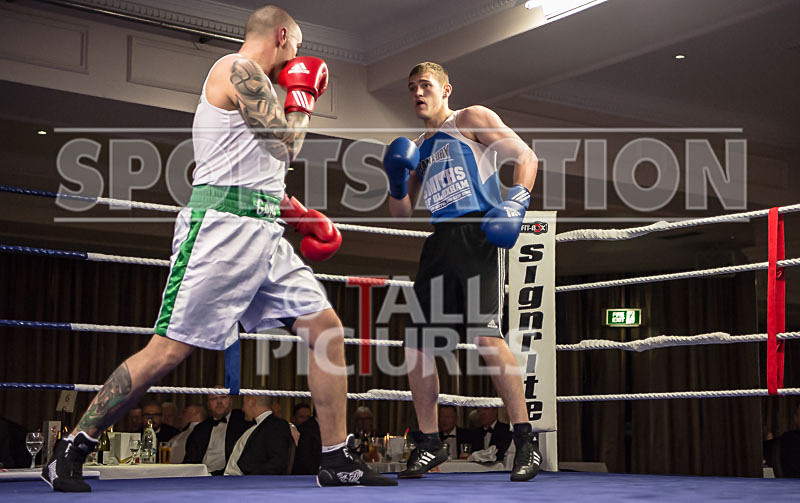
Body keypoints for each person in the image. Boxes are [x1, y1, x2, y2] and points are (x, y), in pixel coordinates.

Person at [42, 4, 395, 491]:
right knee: (166, 352)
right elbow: (286, 144)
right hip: (221, 232)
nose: (297, 54)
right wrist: (303, 97)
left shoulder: (258, 85)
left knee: (327, 330)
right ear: (283, 35)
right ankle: (71, 449)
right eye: (295, 45)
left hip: (263, 229)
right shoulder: (237, 69)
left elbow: (250, 165)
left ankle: (336, 457)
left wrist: (295, 212)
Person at [383, 61, 541, 482]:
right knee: (417, 347)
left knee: (486, 339)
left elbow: (526, 156)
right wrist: (396, 179)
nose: (418, 92)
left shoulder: (469, 118)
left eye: (426, 85)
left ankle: (525, 439)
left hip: (477, 234)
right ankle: (430, 442)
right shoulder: (417, 146)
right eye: (412, 86)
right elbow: (402, 214)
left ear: (446, 89)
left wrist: (516, 202)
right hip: (439, 242)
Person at [183, 391, 252, 475]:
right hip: (201, 477)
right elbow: (190, 459)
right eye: (214, 398)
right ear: (208, 404)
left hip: (228, 477)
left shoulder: (244, 421)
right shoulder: (200, 429)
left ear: (231, 400)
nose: (219, 402)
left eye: (223, 397)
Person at [224, 396, 293, 476]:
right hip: (232, 480)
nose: (243, 409)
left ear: (252, 402)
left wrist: (249, 476)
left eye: (244, 403)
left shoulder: (276, 425)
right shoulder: (249, 425)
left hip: (250, 483)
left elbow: (277, 462)